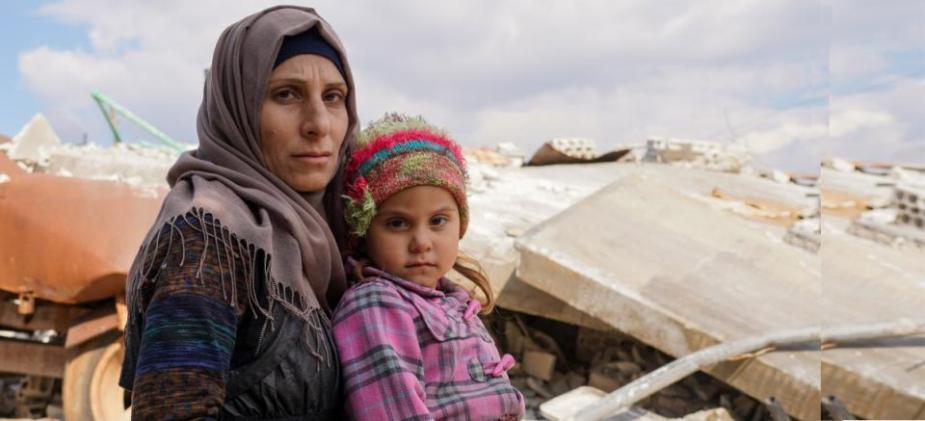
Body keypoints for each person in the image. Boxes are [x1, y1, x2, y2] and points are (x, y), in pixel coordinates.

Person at [119, 6, 359, 419]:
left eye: (333, 98)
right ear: (238, 109)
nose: (319, 123)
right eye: (286, 94)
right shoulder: (206, 236)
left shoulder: (328, 239)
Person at [332, 113, 526, 420]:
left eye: (438, 221)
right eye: (397, 223)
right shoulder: (376, 305)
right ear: (364, 233)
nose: (421, 242)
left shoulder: (454, 302)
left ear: (460, 224)